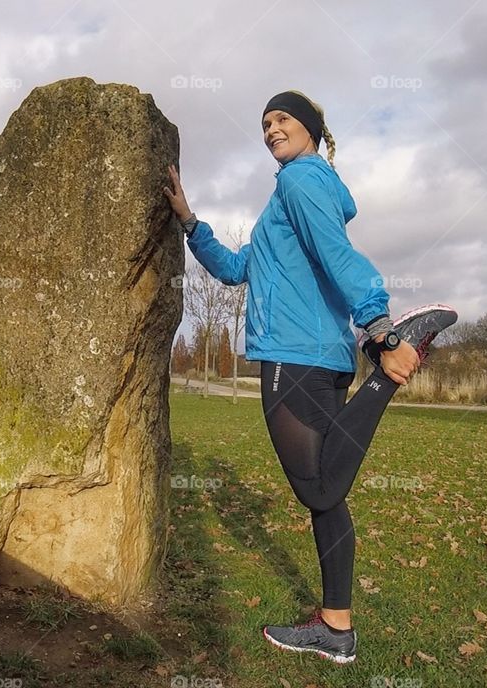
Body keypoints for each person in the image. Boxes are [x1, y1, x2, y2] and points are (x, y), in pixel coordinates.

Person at [163, 89, 458, 665]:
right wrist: (190, 221)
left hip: (293, 358)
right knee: (328, 500)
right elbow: (235, 268)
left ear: (311, 129)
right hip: (323, 360)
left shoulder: (299, 181)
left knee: (318, 488)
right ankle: (336, 629)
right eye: (265, 123)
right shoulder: (291, 198)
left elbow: (335, 251)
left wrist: (381, 328)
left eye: (282, 119)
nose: (272, 129)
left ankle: (388, 378)